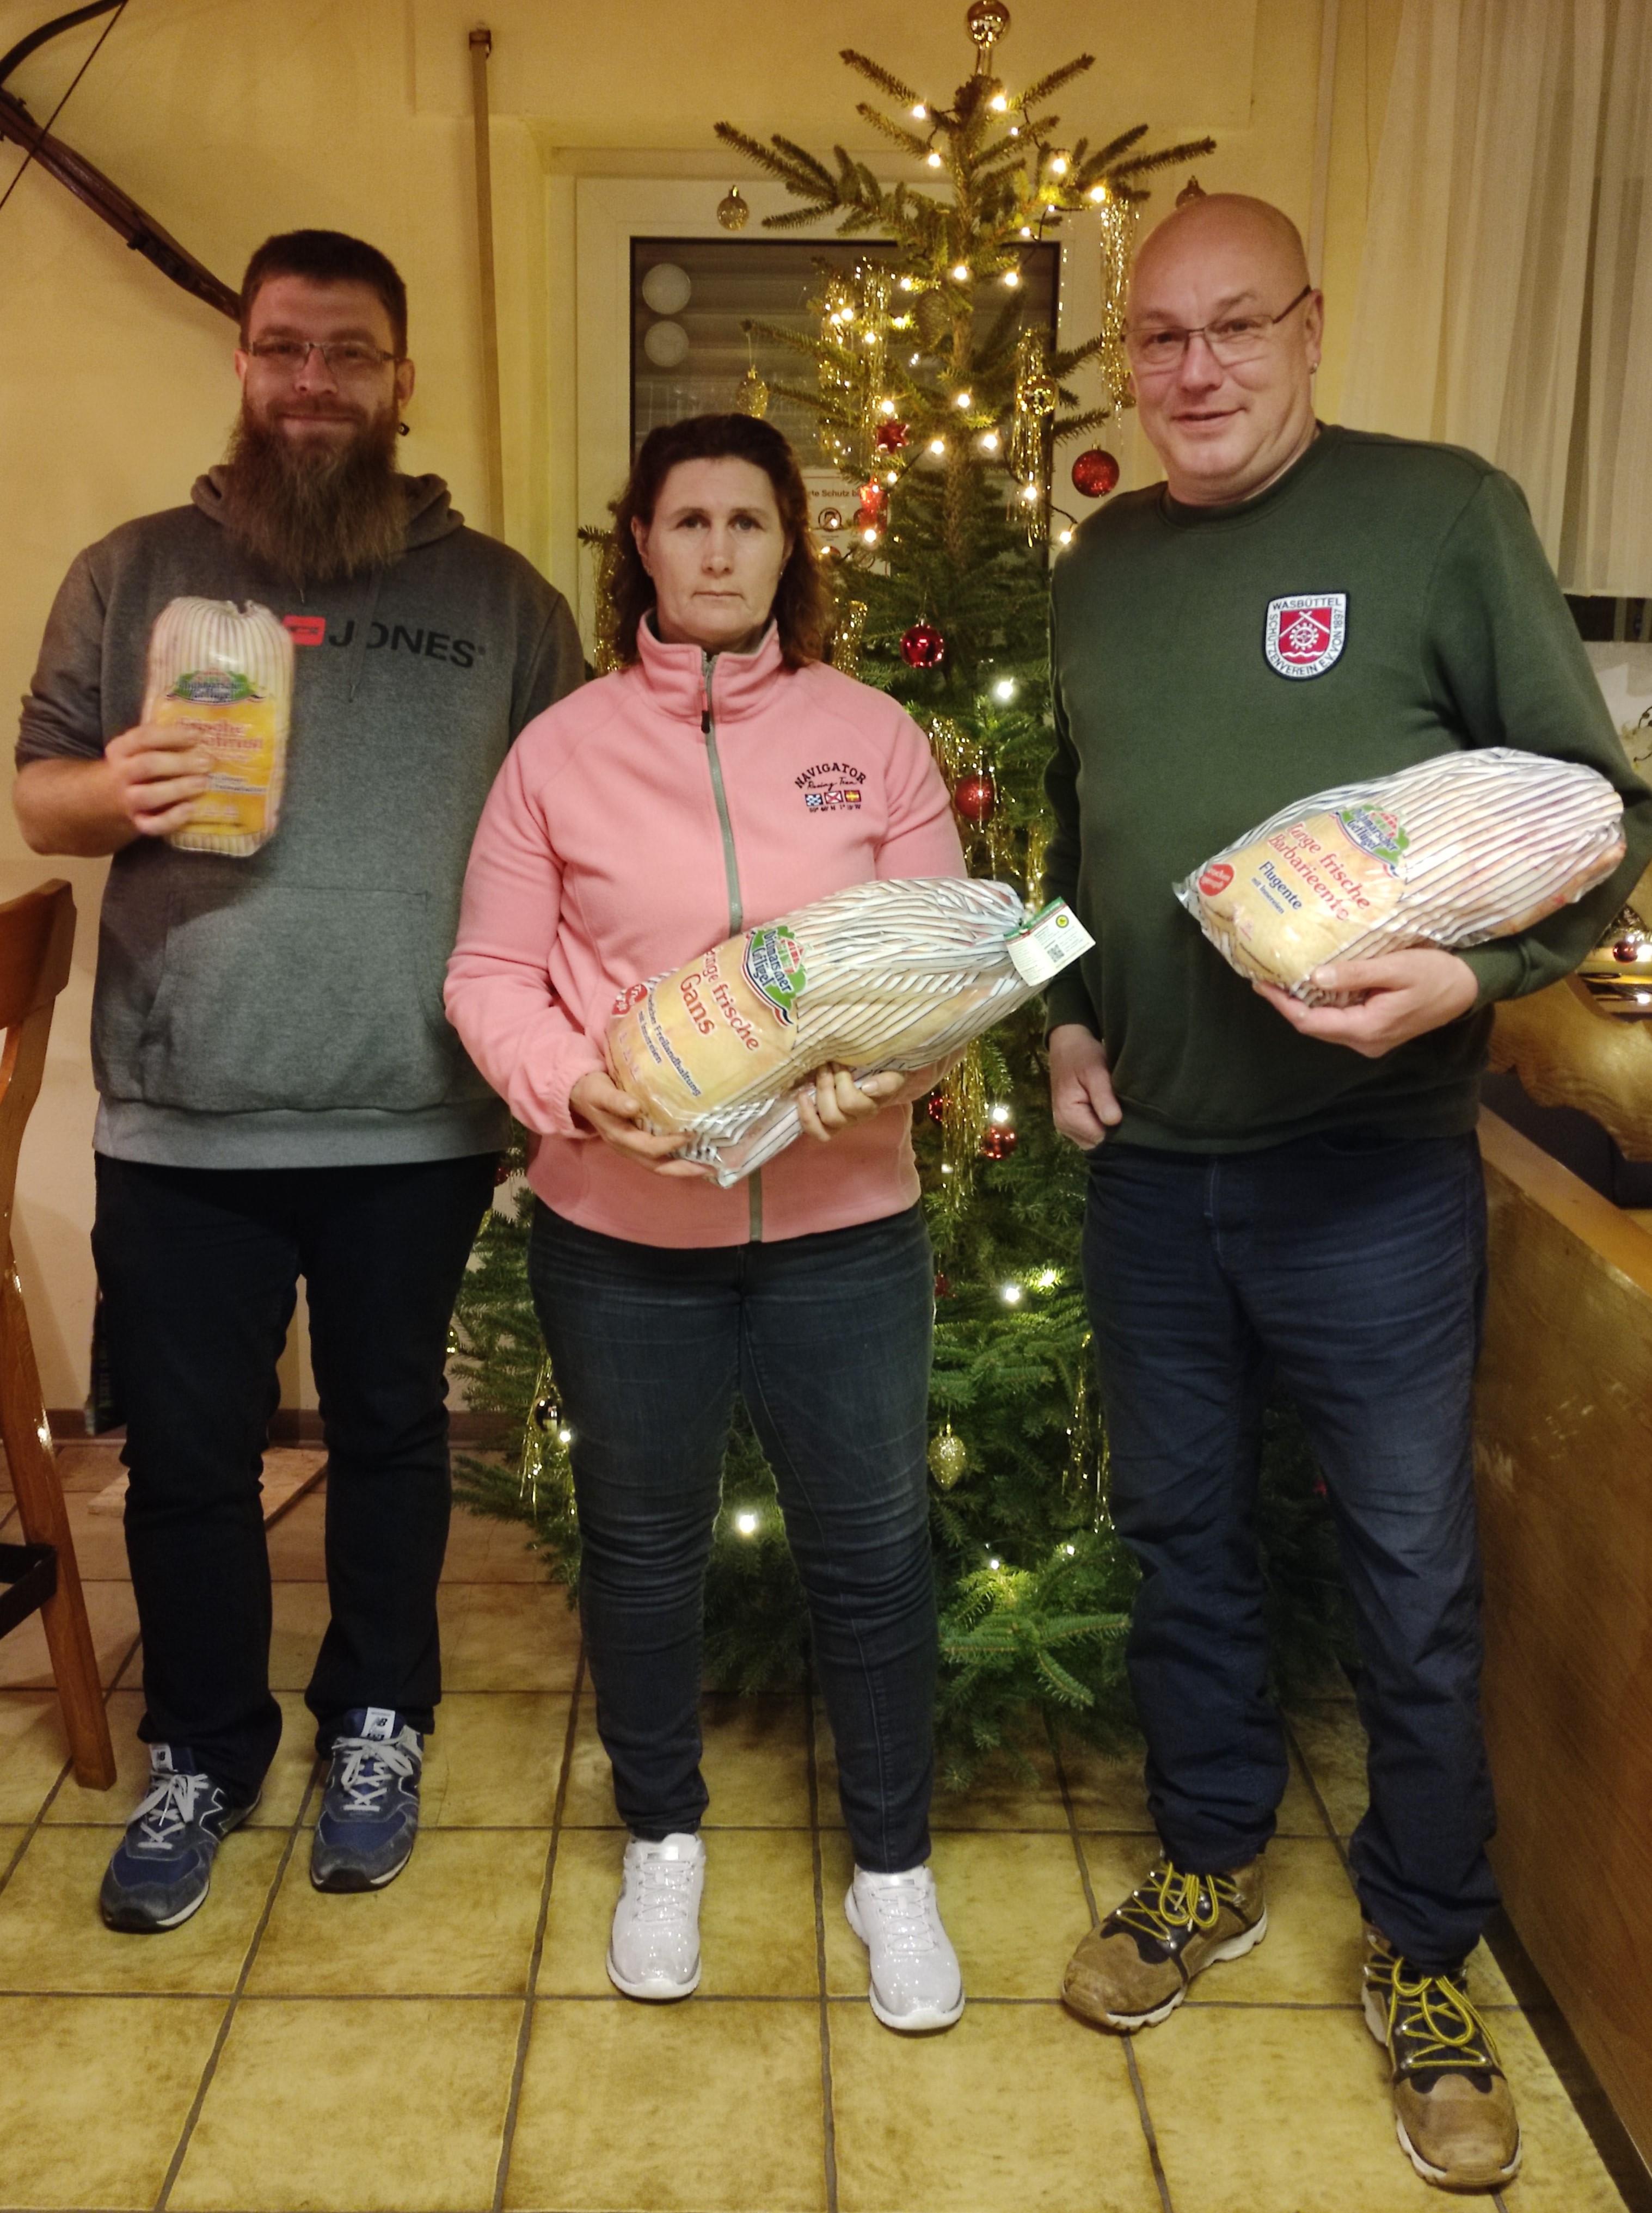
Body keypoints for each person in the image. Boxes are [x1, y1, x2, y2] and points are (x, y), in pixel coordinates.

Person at [1042, 193, 1652, 2192]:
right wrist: (1064, 1018)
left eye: (1235, 326)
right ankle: (1210, 1855)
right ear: (1125, 361)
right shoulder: (1101, 564)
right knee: (1179, 1535)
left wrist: (1469, 982)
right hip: (1151, 1169)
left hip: (1367, 1172)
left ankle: (1424, 1946)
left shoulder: (1441, 514)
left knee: (1406, 1567)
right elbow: (1077, 813)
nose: (1195, 369)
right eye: (1158, 337)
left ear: (1311, 327)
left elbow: (1600, 816)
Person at [13, 228, 582, 1932]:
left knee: (392, 1429)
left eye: (347, 353)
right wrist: (118, 784)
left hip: (414, 1104)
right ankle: (204, 1745)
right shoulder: (133, 573)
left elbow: (575, 825)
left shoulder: (503, 605)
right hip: (185, 1111)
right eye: (282, 348)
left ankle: (380, 1718)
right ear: (244, 363)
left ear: (403, 380)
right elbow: (42, 794)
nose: (312, 382)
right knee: (190, 1456)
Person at [446, 412, 967, 2032]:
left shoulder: (870, 735)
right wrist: (565, 1087)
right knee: (645, 1550)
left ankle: (893, 1869)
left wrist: (895, 1066)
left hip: (844, 1231)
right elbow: (489, 974)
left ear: (790, 544)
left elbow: (946, 956)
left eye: (750, 519)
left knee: (871, 1553)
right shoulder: (559, 751)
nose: (721, 548)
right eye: (690, 520)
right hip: (619, 1243)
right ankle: (663, 1837)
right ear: (643, 546)